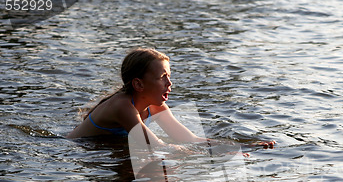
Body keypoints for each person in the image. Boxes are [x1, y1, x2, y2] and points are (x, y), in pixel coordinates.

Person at [67, 48, 276, 151]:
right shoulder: (123, 106)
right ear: (139, 85)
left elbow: (190, 139)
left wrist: (240, 146)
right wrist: (217, 156)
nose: (170, 84)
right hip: (75, 148)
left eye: (169, 77)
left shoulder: (155, 106)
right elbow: (156, 145)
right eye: (162, 78)